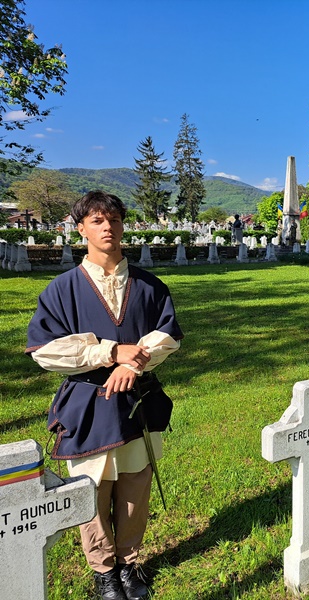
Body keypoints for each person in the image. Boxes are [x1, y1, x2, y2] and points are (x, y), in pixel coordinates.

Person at [26, 191, 183, 600]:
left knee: (134, 488)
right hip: (87, 407)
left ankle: (129, 564)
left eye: (113, 219)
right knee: (92, 490)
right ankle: (104, 571)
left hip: (137, 404)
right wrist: (108, 352)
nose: (107, 227)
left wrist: (133, 364)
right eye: (97, 221)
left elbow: (167, 334)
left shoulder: (149, 285)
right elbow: (44, 349)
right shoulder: (63, 289)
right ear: (81, 229)